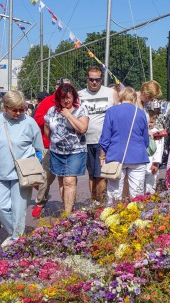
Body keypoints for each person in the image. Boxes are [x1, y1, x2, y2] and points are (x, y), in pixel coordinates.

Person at [0, 90, 43, 248]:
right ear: (5, 107)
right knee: (0, 206)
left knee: (19, 209)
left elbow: (39, 149)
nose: (19, 112)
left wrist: (36, 172)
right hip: (0, 172)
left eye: (22, 108)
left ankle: (16, 239)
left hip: (23, 173)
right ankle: (16, 232)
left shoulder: (29, 122)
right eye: (15, 109)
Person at [99, 87, 149, 204]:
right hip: (137, 156)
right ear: (134, 98)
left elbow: (105, 138)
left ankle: (112, 217)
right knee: (137, 194)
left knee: (114, 193)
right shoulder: (140, 113)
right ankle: (136, 218)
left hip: (116, 156)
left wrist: (103, 155)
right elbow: (145, 140)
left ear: (121, 97)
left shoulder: (111, 111)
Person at [44, 83, 89, 212]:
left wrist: (68, 115)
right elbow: (47, 128)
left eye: (69, 97)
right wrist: (54, 140)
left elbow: (82, 128)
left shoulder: (81, 110)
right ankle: (67, 208)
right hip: (57, 151)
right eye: (63, 98)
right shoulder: (52, 110)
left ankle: (68, 214)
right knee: (62, 182)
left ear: (74, 97)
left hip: (75, 151)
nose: (66, 100)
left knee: (69, 180)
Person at [79, 66, 118, 204]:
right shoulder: (80, 95)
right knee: (92, 175)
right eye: (91, 79)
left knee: (102, 175)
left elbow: (117, 115)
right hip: (86, 140)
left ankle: (101, 204)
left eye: (97, 79)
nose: (94, 82)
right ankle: (94, 203)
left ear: (101, 79)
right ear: (87, 79)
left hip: (105, 141)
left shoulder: (111, 92)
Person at [31, 83, 65, 218]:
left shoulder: (72, 101)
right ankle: (40, 202)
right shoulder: (47, 101)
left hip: (67, 147)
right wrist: (50, 120)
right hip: (49, 145)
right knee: (46, 177)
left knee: (67, 180)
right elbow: (37, 119)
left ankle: (67, 206)